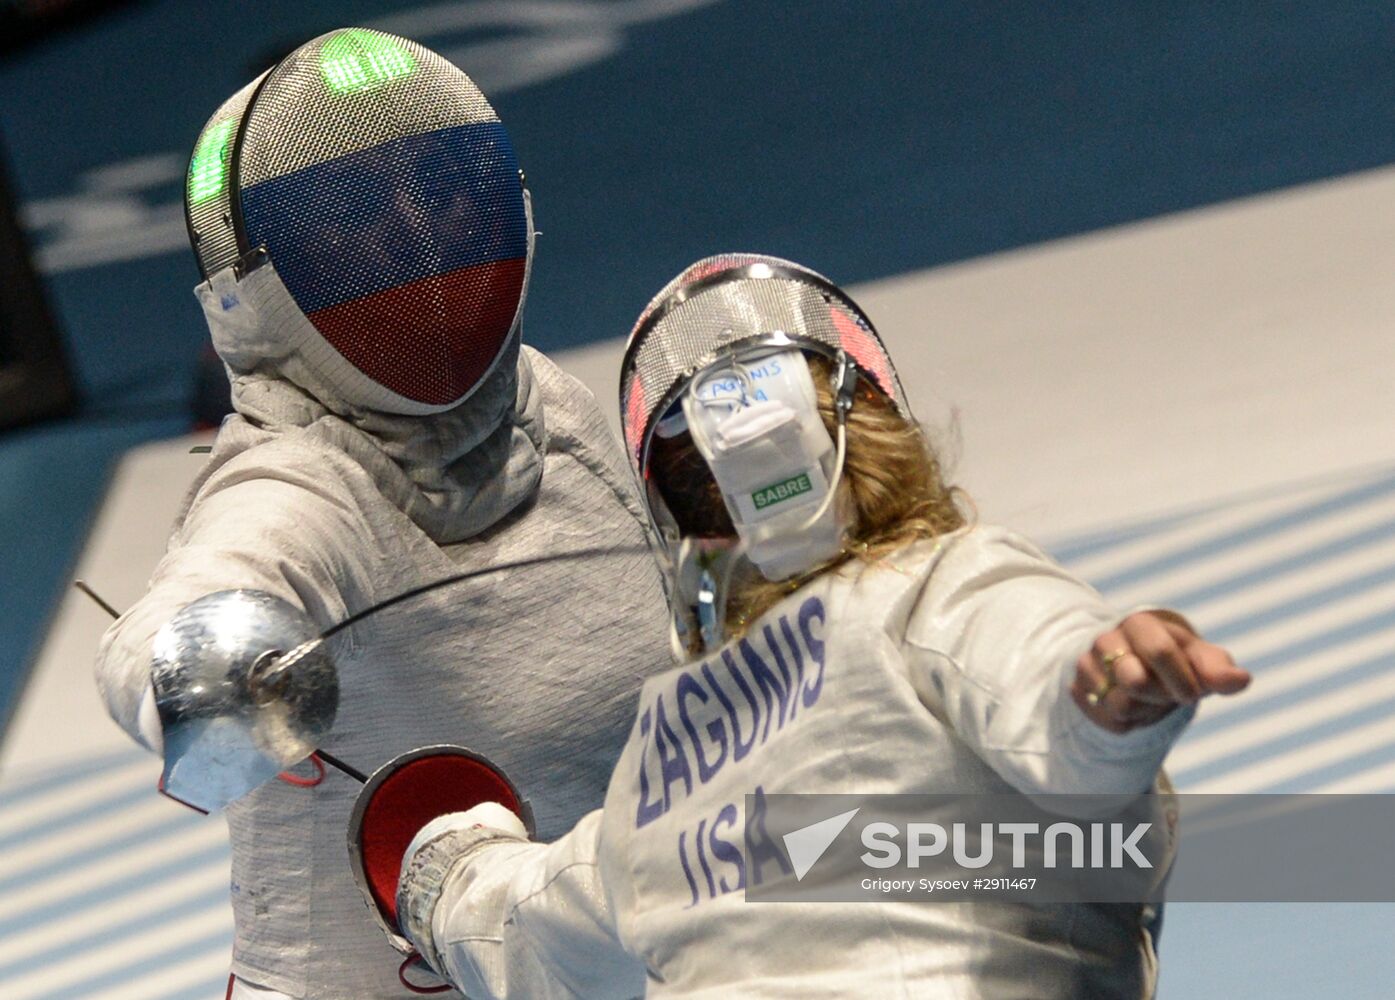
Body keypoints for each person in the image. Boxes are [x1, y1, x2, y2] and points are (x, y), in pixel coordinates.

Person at [386, 253, 1252, 998]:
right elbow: (552, 910)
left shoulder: (914, 604)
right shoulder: (695, 732)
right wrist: (1103, 702)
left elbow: (1040, 680)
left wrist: (440, 872)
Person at [93, 28, 669, 1000]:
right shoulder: (302, 480)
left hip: (618, 950)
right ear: (269, 272)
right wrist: (200, 674)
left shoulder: (543, 399)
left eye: (438, 188)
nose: (418, 226)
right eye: (362, 211)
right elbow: (171, 622)